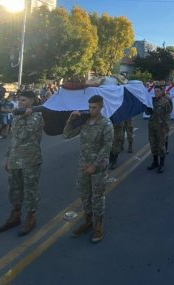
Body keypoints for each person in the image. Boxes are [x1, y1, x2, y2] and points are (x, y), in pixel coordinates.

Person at [63, 95, 114, 241]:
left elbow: (107, 146)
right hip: (83, 165)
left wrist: (95, 165)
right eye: (90, 107)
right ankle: (88, 221)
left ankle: (98, 224)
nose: (91, 110)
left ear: (101, 107)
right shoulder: (84, 122)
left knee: (97, 196)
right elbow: (67, 135)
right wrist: (71, 120)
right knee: (85, 195)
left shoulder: (106, 124)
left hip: (98, 167)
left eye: (94, 107)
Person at [0, 91, 44, 237]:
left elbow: (25, 135)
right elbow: (14, 138)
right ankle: (15, 215)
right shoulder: (18, 116)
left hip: (30, 159)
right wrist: (7, 157)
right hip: (15, 159)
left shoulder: (36, 117)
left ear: (31, 101)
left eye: (23, 100)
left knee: (30, 189)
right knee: (14, 189)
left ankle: (31, 217)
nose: (20, 102)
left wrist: (25, 117)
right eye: (19, 100)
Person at [147, 86, 172, 174]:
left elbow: (168, 114)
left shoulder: (165, 102)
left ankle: (162, 164)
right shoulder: (151, 101)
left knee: (161, 145)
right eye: (155, 91)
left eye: (158, 91)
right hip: (152, 126)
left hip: (161, 127)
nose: (156, 93)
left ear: (162, 92)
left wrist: (166, 127)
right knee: (153, 143)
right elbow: (147, 112)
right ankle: (155, 162)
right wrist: (147, 108)